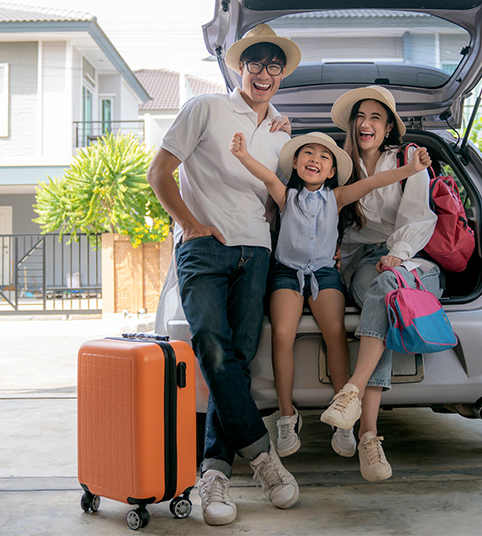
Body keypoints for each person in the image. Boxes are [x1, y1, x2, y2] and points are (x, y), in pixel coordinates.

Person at [146, 24, 301, 526]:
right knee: (212, 346)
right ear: (239, 68)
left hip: (255, 251)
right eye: (254, 63)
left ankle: (213, 472)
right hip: (204, 249)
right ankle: (263, 459)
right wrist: (189, 223)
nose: (263, 73)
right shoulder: (205, 109)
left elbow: (282, 199)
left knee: (235, 358)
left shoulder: (282, 131)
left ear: (281, 74)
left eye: (273, 65)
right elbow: (159, 172)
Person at [229, 130, 430, 459]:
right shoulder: (286, 196)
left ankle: (344, 420)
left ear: (332, 172)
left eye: (324, 157)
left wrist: (410, 169)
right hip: (286, 272)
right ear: (295, 163)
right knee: (282, 334)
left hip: (324, 273)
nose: (315, 160)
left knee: (334, 333)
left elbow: (375, 182)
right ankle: (286, 415)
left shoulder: (336, 197)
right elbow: (266, 176)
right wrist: (242, 155)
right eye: (308, 153)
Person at [319, 85, 441, 482]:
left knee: (388, 287)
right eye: (360, 117)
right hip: (360, 261)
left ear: (389, 127)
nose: (366, 124)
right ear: (352, 126)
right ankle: (369, 439)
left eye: (375, 117)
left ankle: (355, 404)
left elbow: (419, 218)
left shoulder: (408, 160)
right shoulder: (338, 164)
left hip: (411, 258)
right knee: (385, 294)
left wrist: (399, 253)